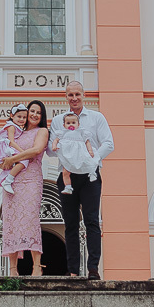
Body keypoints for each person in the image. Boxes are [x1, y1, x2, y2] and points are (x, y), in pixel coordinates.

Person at [47, 80, 114, 280]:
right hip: (66, 176)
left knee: (92, 221)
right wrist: (63, 148)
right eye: (70, 95)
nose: (74, 98)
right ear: (65, 97)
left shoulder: (96, 117)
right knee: (70, 224)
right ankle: (73, 270)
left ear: (84, 95)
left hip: (90, 176)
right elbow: (50, 150)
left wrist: (90, 160)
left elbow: (109, 143)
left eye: (77, 94)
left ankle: (93, 268)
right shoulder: (59, 120)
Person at [0, 99, 49, 277]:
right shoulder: (16, 131)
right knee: (11, 222)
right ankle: (13, 269)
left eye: (38, 112)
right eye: (32, 111)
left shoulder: (42, 131)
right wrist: (6, 162)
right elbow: (3, 157)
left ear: (42, 116)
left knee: (30, 219)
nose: (34, 115)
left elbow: (36, 150)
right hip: (12, 181)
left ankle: (36, 266)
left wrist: (13, 159)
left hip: (31, 180)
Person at [52, 111, 98, 194]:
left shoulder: (81, 132)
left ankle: (92, 173)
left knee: (88, 161)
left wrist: (90, 150)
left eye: (73, 122)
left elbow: (87, 142)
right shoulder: (62, 133)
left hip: (79, 154)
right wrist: (54, 146)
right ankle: (68, 187)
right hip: (68, 156)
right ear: (64, 125)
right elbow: (55, 140)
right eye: (68, 123)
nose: (71, 125)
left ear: (78, 124)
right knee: (65, 172)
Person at [0, 103, 29, 194]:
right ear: (12, 116)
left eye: (24, 117)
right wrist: (23, 152)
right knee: (24, 160)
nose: (22, 119)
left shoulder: (16, 127)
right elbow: (11, 141)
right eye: (19, 116)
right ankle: (8, 180)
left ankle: (7, 178)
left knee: (16, 164)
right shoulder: (11, 126)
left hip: (8, 148)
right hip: (6, 149)